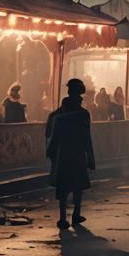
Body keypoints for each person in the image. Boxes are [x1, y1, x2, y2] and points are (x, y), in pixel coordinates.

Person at [46, 78, 96, 228]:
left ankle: (63, 218)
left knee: (63, 186)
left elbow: (51, 135)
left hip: (62, 154)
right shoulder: (83, 114)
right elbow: (87, 137)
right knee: (77, 185)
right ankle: (76, 214)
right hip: (78, 153)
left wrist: (50, 152)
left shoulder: (57, 115)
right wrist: (91, 157)